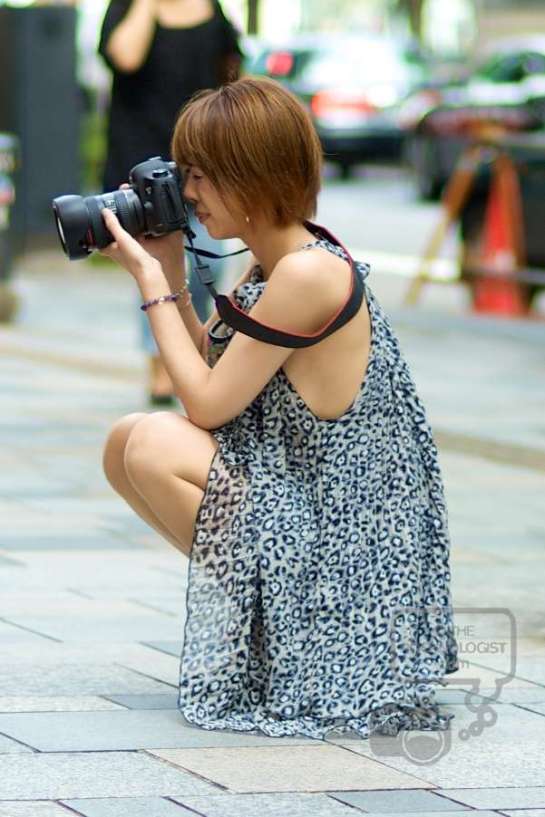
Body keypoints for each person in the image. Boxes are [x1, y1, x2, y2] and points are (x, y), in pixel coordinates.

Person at [100, 76, 459, 741]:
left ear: (254, 174)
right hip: (307, 514)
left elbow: (203, 405)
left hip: (348, 553)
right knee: (126, 440)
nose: (190, 193)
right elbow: (207, 367)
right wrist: (172, 273)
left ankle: (290, 636)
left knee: (150, 439)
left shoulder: (308, 273)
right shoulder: (271, 268)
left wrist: (151, 287)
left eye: (202, 175)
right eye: (187, 174)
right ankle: (279, 630)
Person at [97, 0, 242, 402]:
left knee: (208, 258)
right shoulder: (128, 7)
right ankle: (160, 363)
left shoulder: (210, 10)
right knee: (154, 263)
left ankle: (195, 350)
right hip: (143, 160)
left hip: (201, 160)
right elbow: (125, 57)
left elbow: (231, 75)